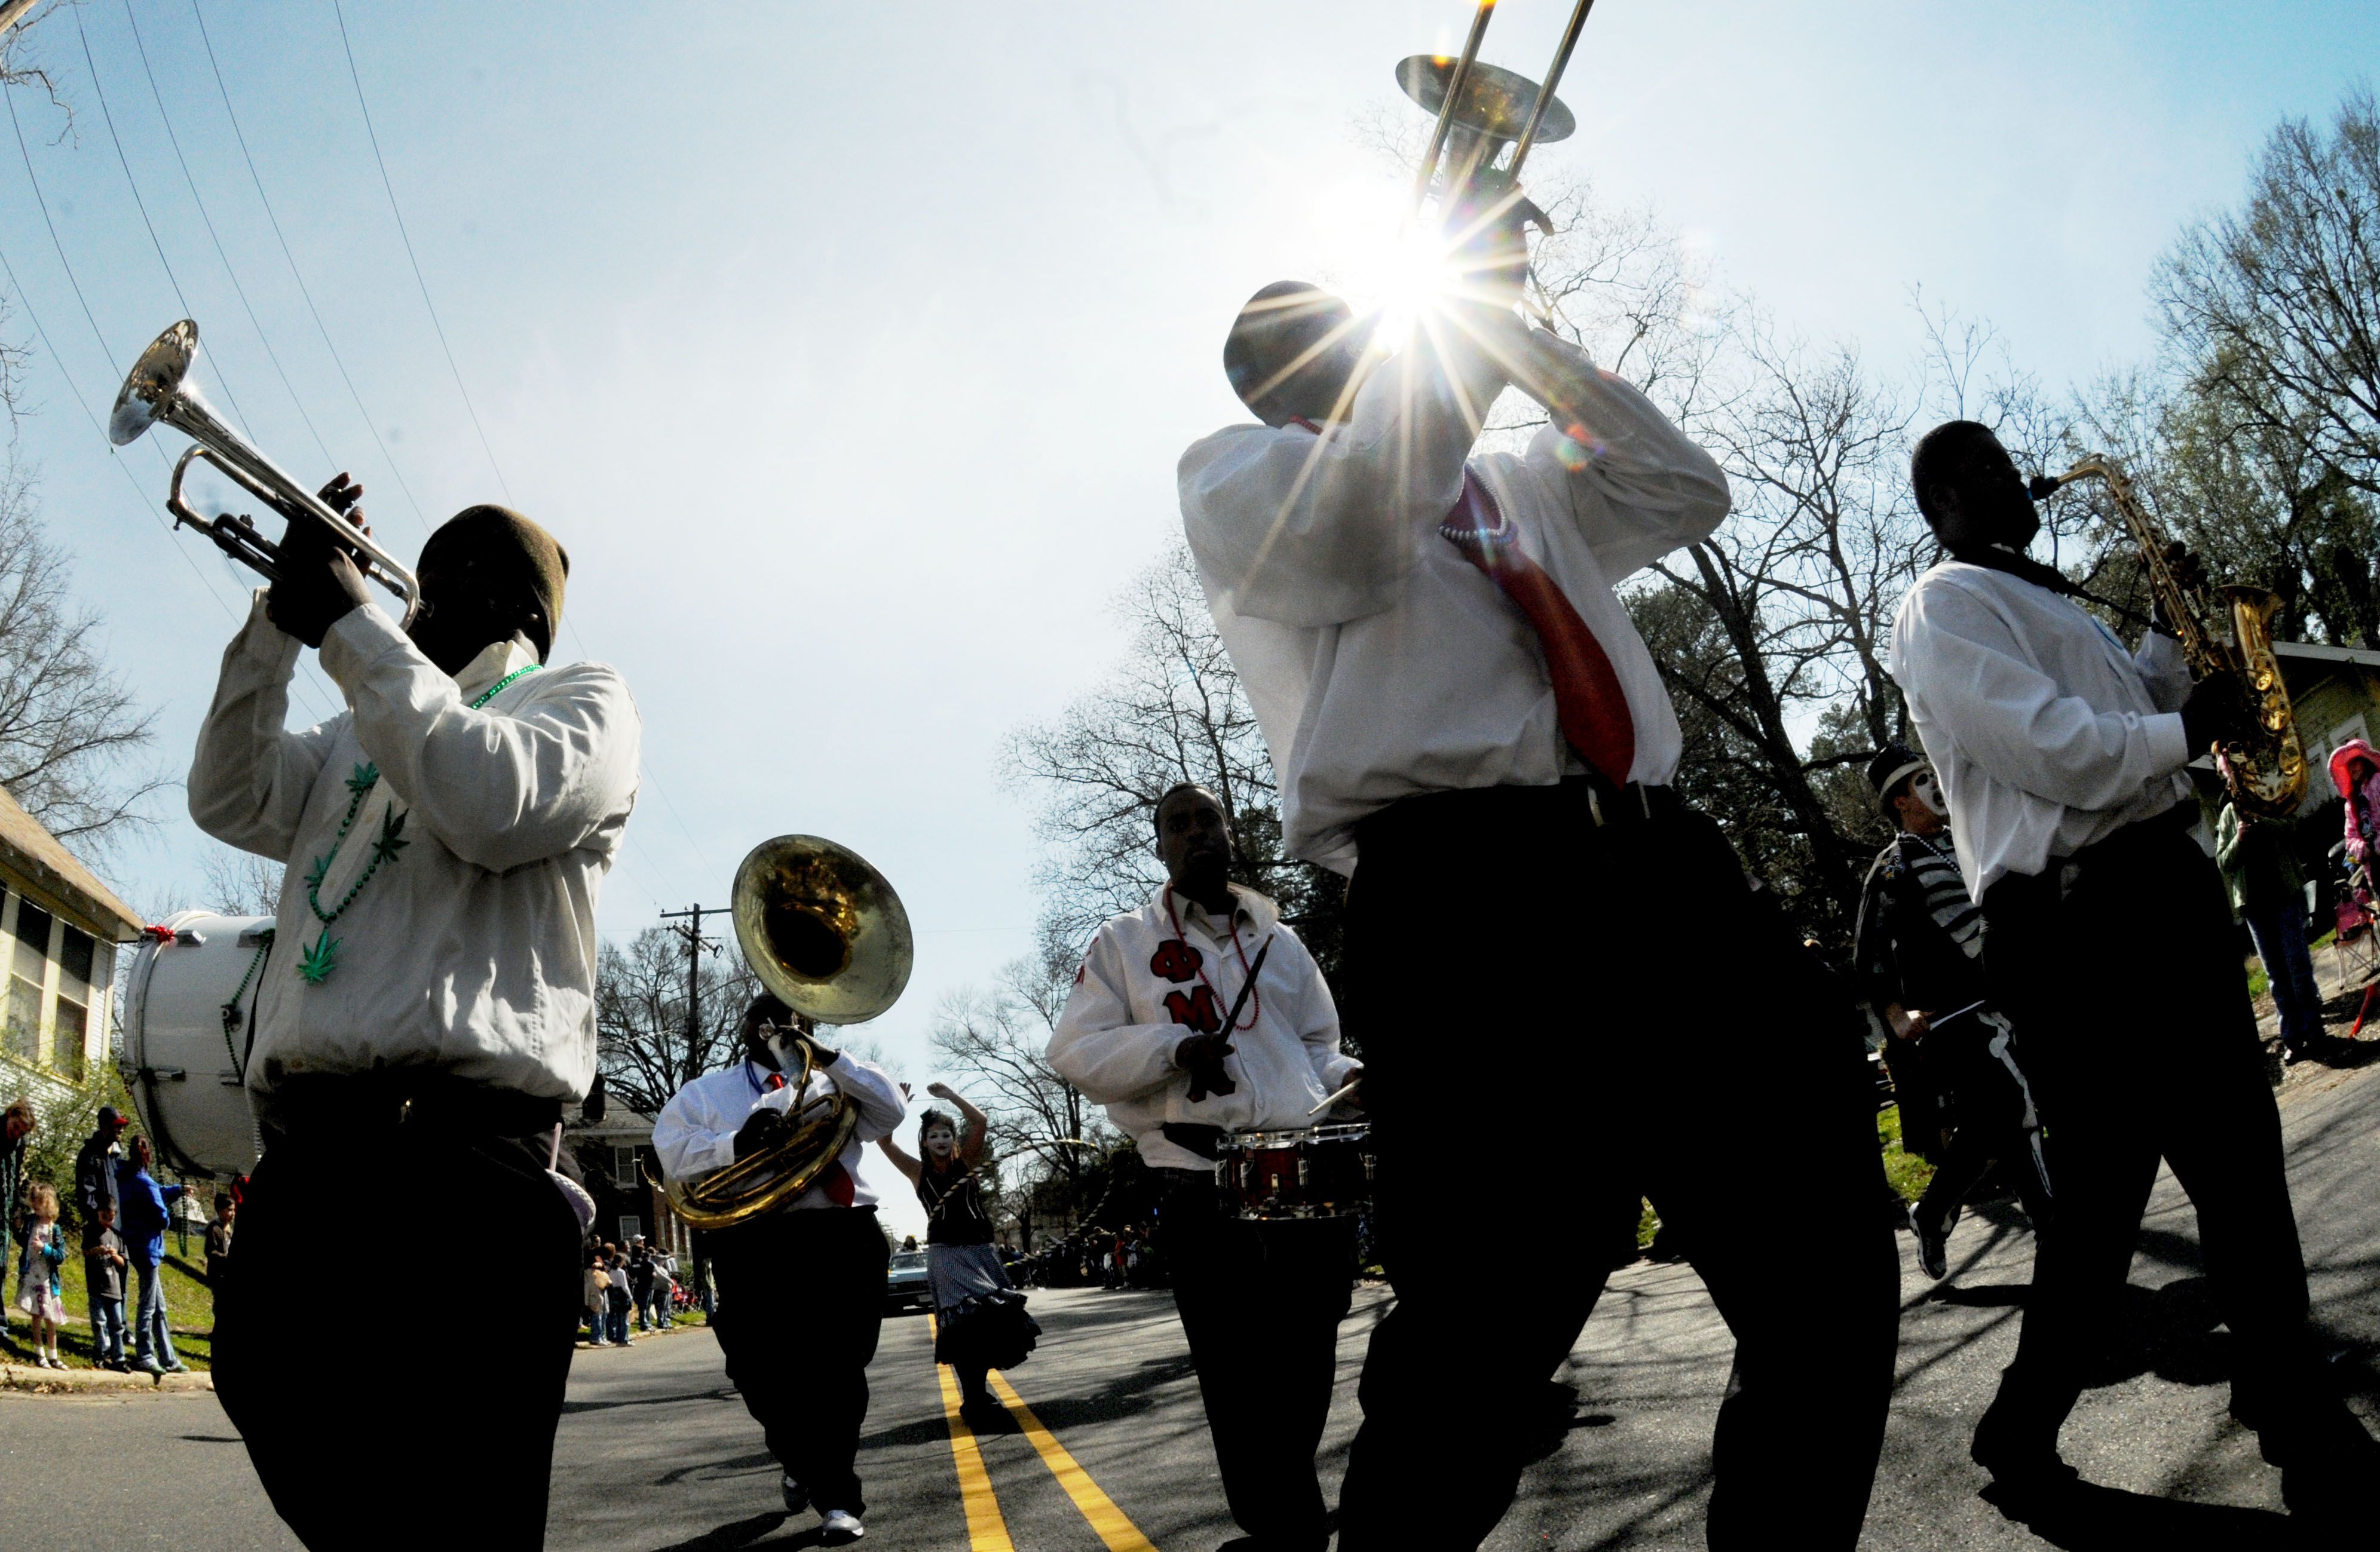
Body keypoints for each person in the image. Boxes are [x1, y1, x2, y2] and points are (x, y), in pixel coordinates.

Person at [1177, 182, 1898, 1548]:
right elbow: (1350, 531)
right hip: (1465, 902)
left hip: (1661, 867)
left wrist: (1520, 339)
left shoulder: (1501, 476)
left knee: (1826, 1265)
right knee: (1486, 1337)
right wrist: (1450, 350)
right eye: (1305, 347)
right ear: (1268, 382)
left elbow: (1685, 488)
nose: (1340, 353)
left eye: (1351, 330)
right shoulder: (1245, 479)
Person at [1889, 419, 2380, 1523]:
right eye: (1993, 464)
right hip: (2076, 923)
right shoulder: (1945, 605)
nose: (2020, 476)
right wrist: (2179, 727)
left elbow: (2136, 718)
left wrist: (2164, 643)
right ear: (1946, 493)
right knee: (2106, 1206)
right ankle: (2027, 1420)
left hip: (2151, 892)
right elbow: (2055, 749)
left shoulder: (2048, 601)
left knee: (2237, 1164)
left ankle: (2286, 1401)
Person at [188, 486, 640, 1550]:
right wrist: (273, 631)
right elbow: (228, 794)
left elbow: (490, 803)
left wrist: (346, 624)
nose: (403, 606)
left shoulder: (579, 700)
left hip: (466, 1160)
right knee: (264, 1377)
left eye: (426, 590)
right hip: (316, 1149)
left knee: (461, 1491)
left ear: (499, 600)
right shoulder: (362, 723)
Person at [1049, 783, 1365, 1552]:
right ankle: (1282, 1519)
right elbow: (1073, 1052)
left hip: (1304, 1175)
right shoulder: (1121, 943)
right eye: (1177, 825)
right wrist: (1169, 1049)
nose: (1196, 833)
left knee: (1308, 1350)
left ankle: (1281, 1507)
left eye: (1207, 820)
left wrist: (1351, 1079)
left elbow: (1318, 1046)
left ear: (1228, 833)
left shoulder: (1279, 943)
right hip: (1199, 1178)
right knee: (1234, 1367)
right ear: (1159, 847)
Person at [653, 992, 906, 1545]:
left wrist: (832, 1058)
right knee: (760, 1372)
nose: (780, 1024)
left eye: (795, 1016)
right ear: (745, 1027)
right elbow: (669, 1151)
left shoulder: (837, 1084)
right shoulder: (707, 1093)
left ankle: (837, 1497)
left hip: (842, 1235)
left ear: (809, 1025)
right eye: (765, 1015)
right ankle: (798, 1459)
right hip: (755, 1240)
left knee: (840, 1369)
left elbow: (892, 1111)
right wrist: (735, 1144)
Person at [1855, 744, 2051, 1281]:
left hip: (2001, 1000)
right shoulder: (1891, 868)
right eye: (1921, 780)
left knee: (1993, 1122)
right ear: (1899, 801)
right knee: (2016, 1103)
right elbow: (1868, 952)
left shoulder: (1964, 843)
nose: (1935, 786)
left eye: (1931, 774)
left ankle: (1933, 1211)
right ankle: (2056, 1231)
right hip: (1949, 1021)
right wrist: (1895, 1015)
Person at [873, 1085, 1039, 1427]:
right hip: (946, 1254)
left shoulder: (967, 1164)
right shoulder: (918, 1172)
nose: (941, 1140)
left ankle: (977, 1395)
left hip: (980, 1252)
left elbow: (980, 1122)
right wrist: (899, 1104)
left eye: (946, 1134)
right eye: (933, 1136)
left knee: (993, 1321)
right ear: (924, 1143)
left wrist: (949, 1094)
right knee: (966, 1323)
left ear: (953, 1139)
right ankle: (975, 1399)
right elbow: (885, 1142)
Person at [2215, 787, 2328, 1063]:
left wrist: (2262, 823)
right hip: (2254, 907)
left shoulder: (2269, 802)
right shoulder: (2228, 815)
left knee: (2298, 968)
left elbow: (2292, 827)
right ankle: (2292, 1040)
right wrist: (2239, 839)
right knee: (2276, 976)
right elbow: (2223, 862)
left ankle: (2315, 1034)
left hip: (2284, 897)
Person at [118, 1136, 187, 1375]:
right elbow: (161, 1215)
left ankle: (168, 1357)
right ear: (147, 1156)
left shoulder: (129, 1179)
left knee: (159, 1306)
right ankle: (146, 1354)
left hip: (135, 1246)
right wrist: (167, 1216)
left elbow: (158, 1191)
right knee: (148, 1306)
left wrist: (178, 1191)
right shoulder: (144, 1183)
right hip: (149, 1249)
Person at [13, 1182, 66, 1368]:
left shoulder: (54, 1229)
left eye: (39, 1203)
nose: (35, 1206)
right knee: (36, 1316)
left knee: (51, 1318)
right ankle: (39, 1352)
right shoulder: (31, 1223)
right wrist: (17, 1228)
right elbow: (23, 1242)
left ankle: (54, 1355)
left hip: (48, 1280)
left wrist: (45, 1249)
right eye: (33, 1203)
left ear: (48, 1203)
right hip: (32, 1276)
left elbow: (60, 1256)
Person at [73, 1106, 127, 1251]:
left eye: (122, 1126)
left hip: (118, 1232)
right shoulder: (90, 1155)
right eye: (117, 1126)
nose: (121, 1130)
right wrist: (100, 1222)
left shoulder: (116, 1156)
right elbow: (86, 1193)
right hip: (99, 1234)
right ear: (105, 1126)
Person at [84, 1202, 129, 1372]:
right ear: (98, 1214)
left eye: (111, 1219)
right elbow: (85, 1252)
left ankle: (119, 1357)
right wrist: (97, 1251)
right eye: (104, 1218)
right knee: (99, 1322)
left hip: (114, 1288)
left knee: (117, 1324)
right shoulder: (91, 1232)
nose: (107, 1222)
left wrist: (115, 1255)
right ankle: (101, 1353)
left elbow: (123, 1263)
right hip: (97, 1286)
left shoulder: (118, 1236)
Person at [2, 1097, 32, 1274]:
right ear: (9, 1115)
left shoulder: (19, 1144)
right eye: (15, 1128)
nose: (16, 1135)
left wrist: (16, 1207)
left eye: (21, 1133)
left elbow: (15, 1176)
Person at [205, 1192, 236, 1294]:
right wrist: (224, 1257)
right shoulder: (214, 1228)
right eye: (230, 1210)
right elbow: (210, 1251)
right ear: (220, 1210)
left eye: (234, 1210)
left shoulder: (229, 1229)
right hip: (217, 1275)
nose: (233, 1214)